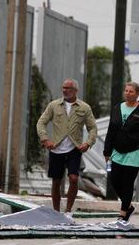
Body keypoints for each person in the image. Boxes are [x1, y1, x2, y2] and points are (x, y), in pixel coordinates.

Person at [37, 78, 97, 219]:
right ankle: (56, 212)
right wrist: (45, 139)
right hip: (56, 149)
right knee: (56, 181)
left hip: (74, 149)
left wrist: (88, 143)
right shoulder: (54, 105)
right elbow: (41, 122)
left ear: (75, 91)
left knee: (74, 178)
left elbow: (92, 127)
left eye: (68, 88)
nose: (65, 90)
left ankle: (68, 211)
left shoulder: (84, 108)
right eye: (63, 88)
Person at [103, 81, 139, 223]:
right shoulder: (117, 108)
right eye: (126, 90)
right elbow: (110, 131)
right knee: (114, 181)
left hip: (135, 152)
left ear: (137, 94)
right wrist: (107, 151)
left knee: (127, 183)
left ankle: (122, 213)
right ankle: (129, 206)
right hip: (117, 151)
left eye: (131, 91)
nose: (128, 93)